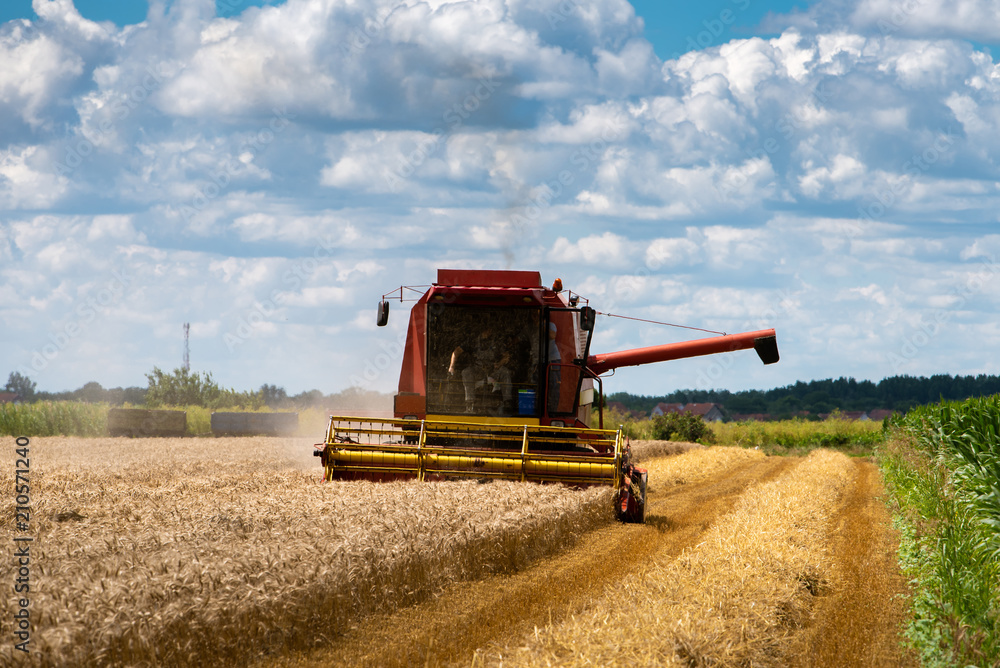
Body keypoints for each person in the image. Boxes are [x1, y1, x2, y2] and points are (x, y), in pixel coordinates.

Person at [448, 325, 512, 413]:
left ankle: (507, 402)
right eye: (487, 330)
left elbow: (507, 356)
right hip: (478, 370)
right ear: (482, 330)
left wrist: (499, 364)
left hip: (493, 370)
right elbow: (456, 352)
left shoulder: (496, 342)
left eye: (490, 330)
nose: (489, 332)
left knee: (505, 372)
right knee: (466, 372)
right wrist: (451, 367)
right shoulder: (473, 341)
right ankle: (470, 404)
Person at [547, 321, 561, 413]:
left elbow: (552, 335)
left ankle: (552, 412)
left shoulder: (550, 325)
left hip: (552, 360)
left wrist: (540, 325)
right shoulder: (529, 327)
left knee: (553, 387)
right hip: (537, 361)